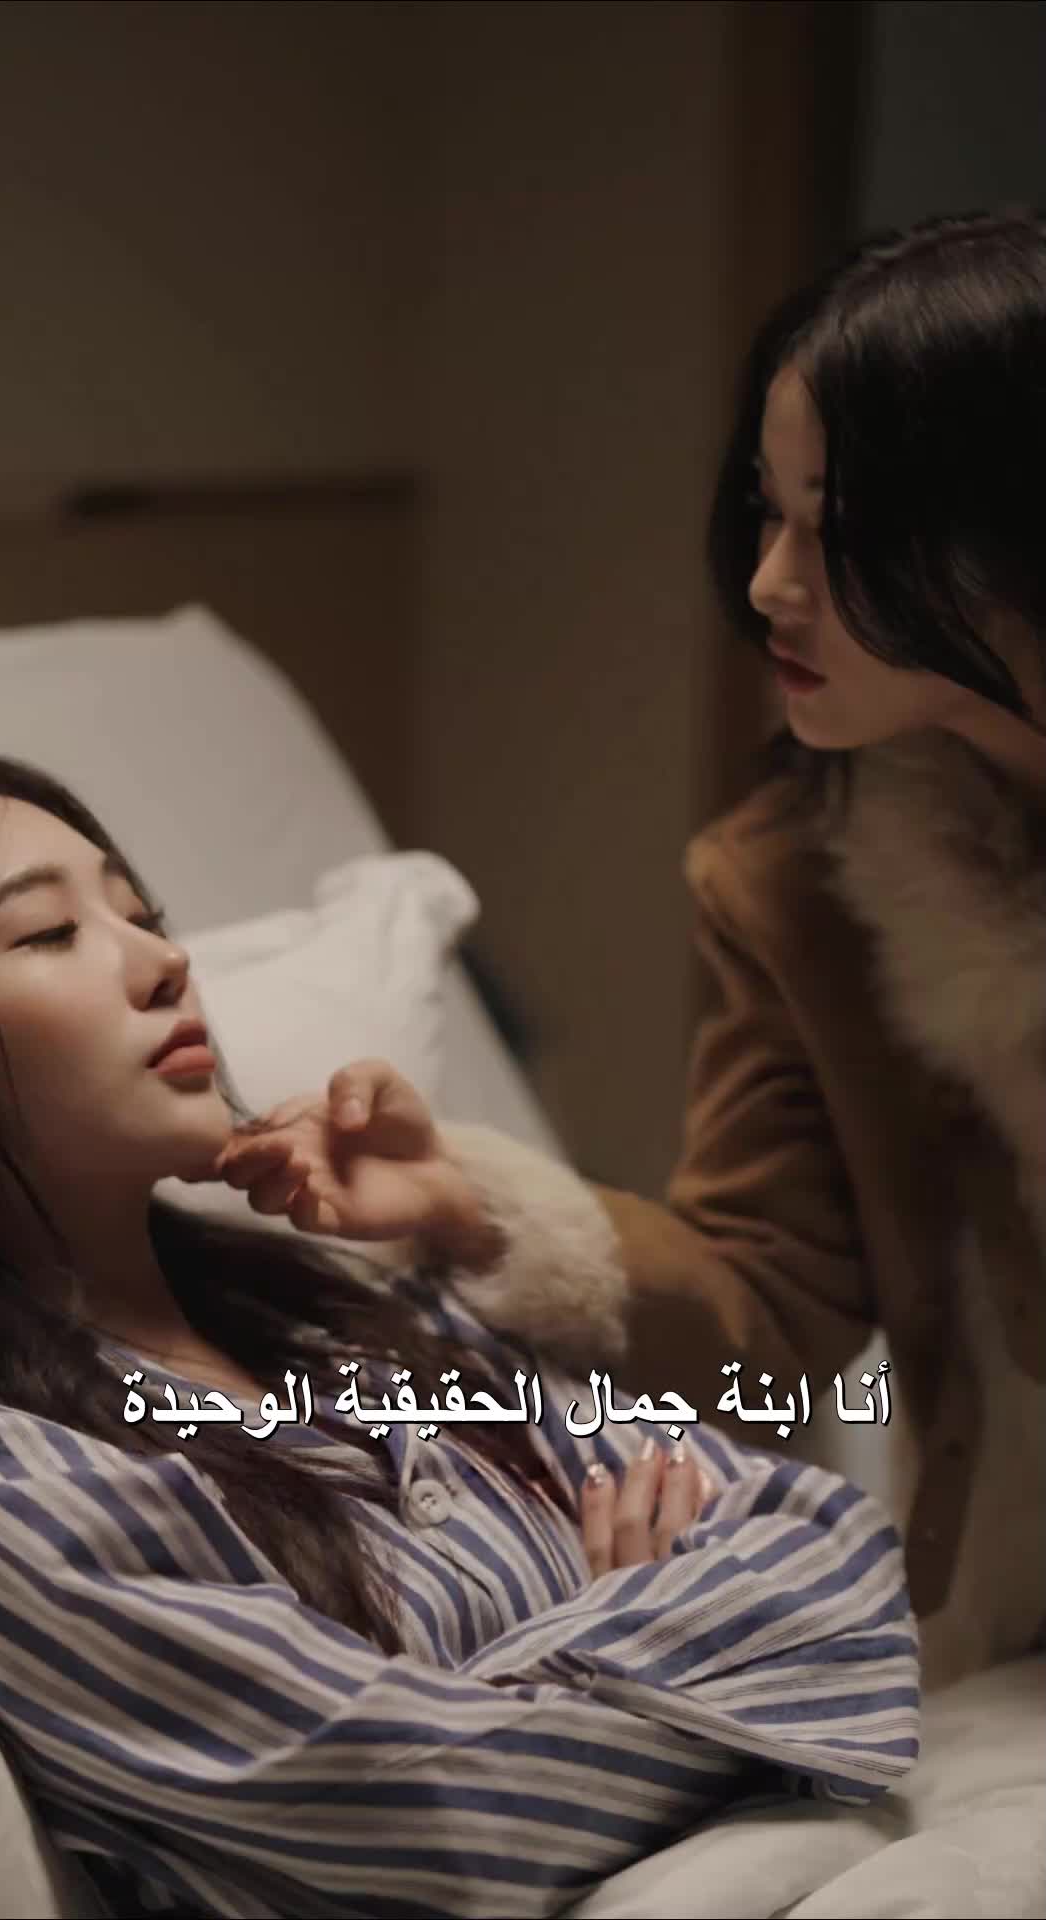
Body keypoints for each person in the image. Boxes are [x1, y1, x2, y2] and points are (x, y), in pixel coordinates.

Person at [0, 756, 916, 1920]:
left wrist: (543, 1694)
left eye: (143, 915)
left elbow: (834, 1547)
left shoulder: (341, 1313)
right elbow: (434, 1817)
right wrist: (649, 1615)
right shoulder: (2, 1477)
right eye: (49, 932)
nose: (166, 961)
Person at [399, 210, 1046, 1698]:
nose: (767, 582)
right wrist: (475, 1210)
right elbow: (769, 1308)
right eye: (767, 512)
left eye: (840, 529)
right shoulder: (803, 885)